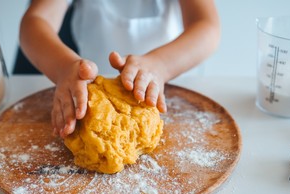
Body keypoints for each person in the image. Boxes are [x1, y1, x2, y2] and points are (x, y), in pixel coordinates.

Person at [19, 0, 220, 138]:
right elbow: (35, 21)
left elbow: (206, 26)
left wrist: (161, 65)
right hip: (86, 88)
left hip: (172, 82)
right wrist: (64, 68)